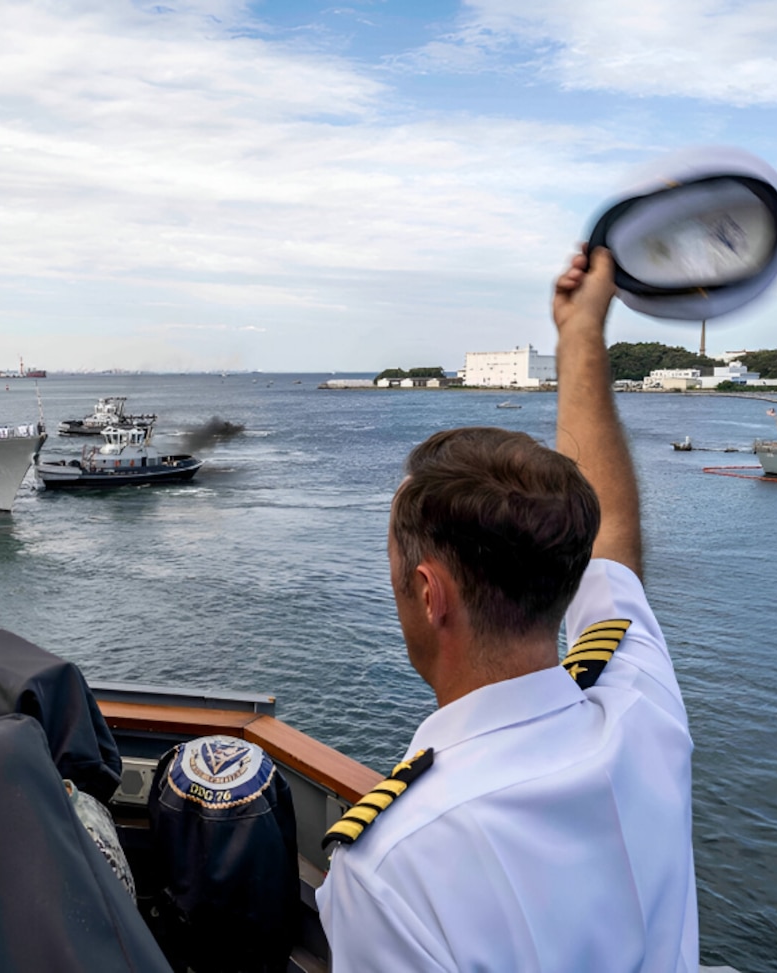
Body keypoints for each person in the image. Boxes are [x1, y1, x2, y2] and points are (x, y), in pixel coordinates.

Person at [315, 246, 699, 971]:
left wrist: (577, 329)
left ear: (430, 594)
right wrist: (582, 332)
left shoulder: (392, 872)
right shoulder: (640, 708)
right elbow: (612, 540)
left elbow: (608, 543)